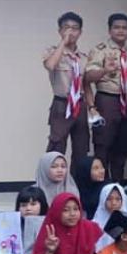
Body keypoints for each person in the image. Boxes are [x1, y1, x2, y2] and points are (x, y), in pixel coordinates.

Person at [85, 13, 127, 181]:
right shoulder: (100, 50)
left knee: (123, 148)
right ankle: (101, 187)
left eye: (124, 28)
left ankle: (118, 187)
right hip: (107, 100)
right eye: (116, 27)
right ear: (110, 30)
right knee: (103, 146)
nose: (120, 31)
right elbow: (88, 77)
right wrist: (105, 70)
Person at [42, 11, 91, 172]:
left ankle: (77, 184)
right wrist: (63, 42)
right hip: (62, 105)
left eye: (74, 28)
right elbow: (50, 65)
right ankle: (51, 184)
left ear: (80, 32)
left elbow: (86, 84)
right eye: (66, 28)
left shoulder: (84, 57)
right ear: (60, 31)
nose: (70, 32)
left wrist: (91, 107)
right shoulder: (53, 51)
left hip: (80, 105)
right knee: (56, 147)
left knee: (81, 148)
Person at [91, 183, 127, 251]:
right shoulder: (94, 224)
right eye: (109, 199)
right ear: (103, 199)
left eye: (118, 199)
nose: (114, 203)